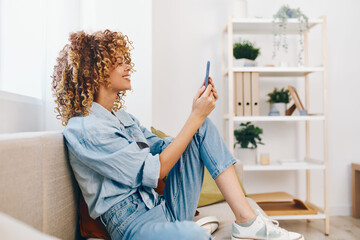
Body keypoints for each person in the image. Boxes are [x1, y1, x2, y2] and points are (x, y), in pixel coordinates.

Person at [52, 29, 304, 240]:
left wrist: (196, 117)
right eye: (119, 62)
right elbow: (156, 170)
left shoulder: (124, 118)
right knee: (195, 236)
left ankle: (248, 223)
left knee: (201, 128)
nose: (128, 66)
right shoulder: (85, 129)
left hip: (166, 208)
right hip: (132, 224)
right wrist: (194, 117)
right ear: (95, 72)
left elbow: (166, 149)